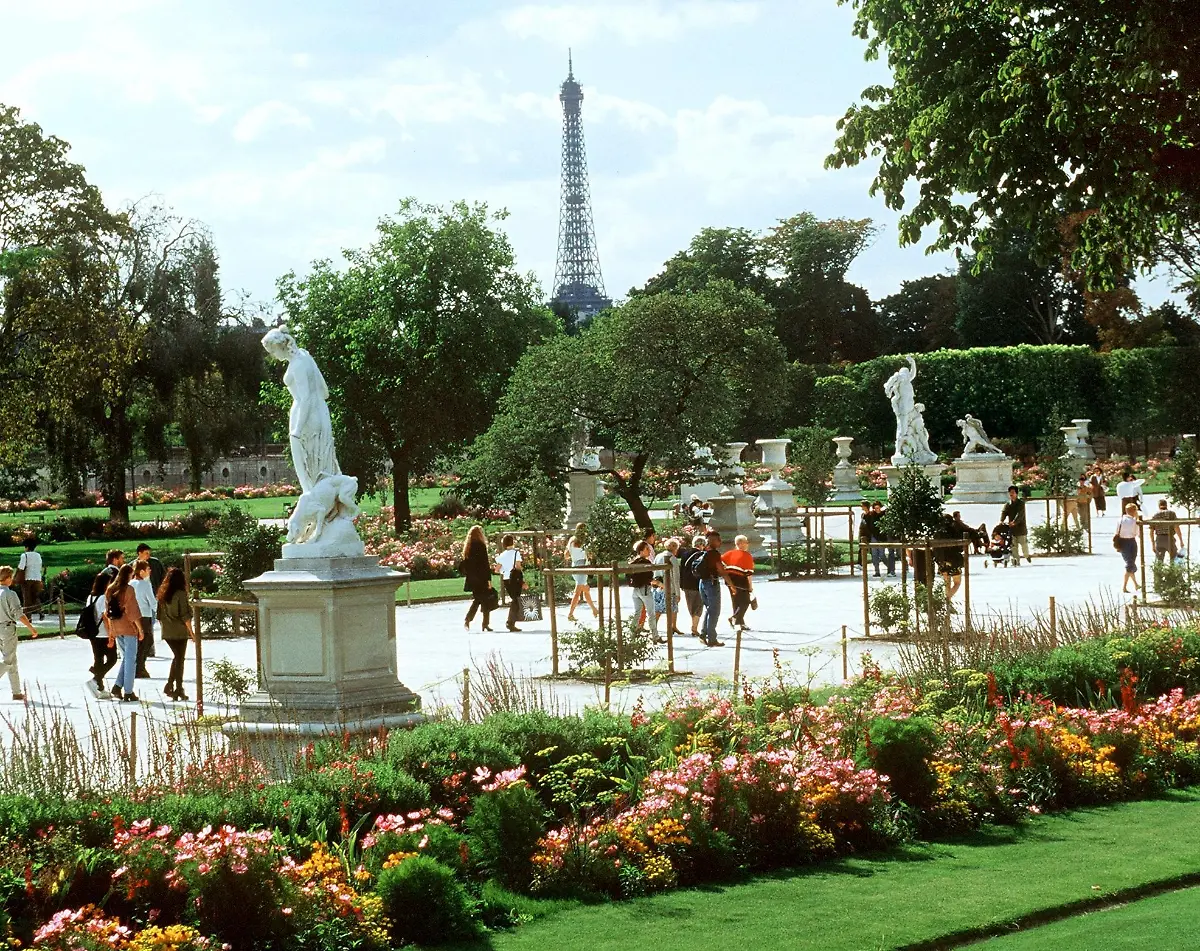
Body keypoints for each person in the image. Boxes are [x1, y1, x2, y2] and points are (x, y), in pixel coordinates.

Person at [105, 564, 143, 702]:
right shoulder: (128, 589)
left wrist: (111, 632)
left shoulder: (110, 589)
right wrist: (140, 629)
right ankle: (128, 691)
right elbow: (132, 611)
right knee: (131, 660)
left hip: (116, 625)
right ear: (128, 575)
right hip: (128, 626)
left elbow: (107, 611)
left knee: (126, 657)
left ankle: (117, 686)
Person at [0, 565, 38, 701]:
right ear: (8, 578)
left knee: (12, 660)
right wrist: (31, 628)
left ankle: (16, 692)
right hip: (7, 628)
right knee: (8, 660)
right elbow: (18, 614)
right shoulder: (10, 594)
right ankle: (16, 691)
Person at [157, 566, 194, 701]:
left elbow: (159, 616)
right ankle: (176, 687)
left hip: (167, 632)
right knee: (180, 659)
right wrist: (192, 633)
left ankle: (174, 687)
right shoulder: (181, 594)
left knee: (177, 658)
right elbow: (185, 616)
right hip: (179, 632)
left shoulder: (162, 594)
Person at [697, 532, 736, 648]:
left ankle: (703, 634)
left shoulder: (703, 552)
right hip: (711, 583)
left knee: (709, 609)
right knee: (714, 611)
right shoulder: (714, 554)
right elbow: (721, 571)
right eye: (718, 540)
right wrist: (732, 585)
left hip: (702, 582)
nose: (720, 542)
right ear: (713, 541)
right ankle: (712, 639)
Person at [85, 572, 117, 695]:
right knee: (112, 659)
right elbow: (105, 617)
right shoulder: (104, 598)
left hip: (93, 632)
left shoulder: (90, 597)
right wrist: (111, 635)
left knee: (98, 659)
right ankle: (96, 679)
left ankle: (100, 687)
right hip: (103, 632)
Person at [461, 525, 496, 632]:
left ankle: (470, 620)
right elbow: (485, 564)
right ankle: (484, 623)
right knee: (485, 600)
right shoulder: (481, 546)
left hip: (472, 579)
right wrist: (489, 580)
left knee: (478, 600)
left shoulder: (468, 547)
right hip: (481, 578)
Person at [721, 534, 756, 630]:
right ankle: (735, 618)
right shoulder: (747, 555)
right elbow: (749, 573)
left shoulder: (728, 553)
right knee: (745, 601)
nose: (747, 544)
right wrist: (750, 586)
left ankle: (740, 623)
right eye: (746, 542)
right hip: (741, 580)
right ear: (740, 544)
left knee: (735, 601)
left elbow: (721, 563)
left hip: (729, 580)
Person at [564, 524, 597, 622]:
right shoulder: (584, 542)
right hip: (583, 565)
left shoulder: (571, 540)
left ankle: (594, 610)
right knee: (578, 591)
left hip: (574, 565)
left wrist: (574, 554)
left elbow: (566, 555)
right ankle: (570, 614)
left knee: (585, 590)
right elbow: (590, 554)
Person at [627, 541, 658, 642]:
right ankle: (655, 636)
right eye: (646, 549)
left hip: (635, 591)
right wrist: (659, 583)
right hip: (644, 589)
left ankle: (631, 635)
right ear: (641, 551)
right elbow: (648, 578)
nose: (649, 551)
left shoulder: (633, 562)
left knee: (637, 613)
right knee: (651, 613)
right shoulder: (646, 563)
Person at [131, 561, 157, 679]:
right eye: (147, 569)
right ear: (141, 571)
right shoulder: (145, 585)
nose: (149, 571)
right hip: (144, 616)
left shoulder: (130, 583)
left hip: (133, 617)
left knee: (138, 643)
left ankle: (138, 666)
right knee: (147, 641)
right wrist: (160, 612)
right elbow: (152, 602)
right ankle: (140, 667)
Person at [675, 534, 704, 639]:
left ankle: (694, 624)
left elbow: (681, 569)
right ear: (701, 545)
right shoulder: (702, 554)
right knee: (699, 606)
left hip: (686, 584)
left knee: (691, 606)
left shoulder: (685, 554)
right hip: (698, 583)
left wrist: (681, 584)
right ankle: (694, 627)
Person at [494, 534, 524, 633]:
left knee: (514, 599)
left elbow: (496, 570)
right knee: (516, 600)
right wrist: (522, 581)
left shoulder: (502, 555)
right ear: (513, 542)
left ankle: (511, 622)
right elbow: (518, 567)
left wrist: (505, 570)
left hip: (506, 579)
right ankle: (510, 622)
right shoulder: (516, 553)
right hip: (515, 579)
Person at [654, 538, 682, 638]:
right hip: (670, 587)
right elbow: (675, 577)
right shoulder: (672, 558)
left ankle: (672, 626)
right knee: (666, 608)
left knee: (660, 608)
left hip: (658, 585)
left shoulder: (658, 556)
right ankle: (667, 627)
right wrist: (678, 593)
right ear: (674, 548)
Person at [1114, 502, 1141, 593]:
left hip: (1122, 542)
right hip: (1131, 542)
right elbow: (1137, 533)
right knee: (1130, 564)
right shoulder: (1134, 521)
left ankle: (1136, 584)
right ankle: (1124, 587)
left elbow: (1117, 531)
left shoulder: (1120, 520)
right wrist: (1136, 517)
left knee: (1130, 563)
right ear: (1134, 511)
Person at [1001, 486, 1031, 566]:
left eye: (1013, 492)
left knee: (1024, 545)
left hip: (1020, 528)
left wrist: (1015, 522)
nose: (1011, 494)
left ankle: (1027, 556)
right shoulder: (1008, 504)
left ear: (1016, 494)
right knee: (1013, 546)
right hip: (1012, 529)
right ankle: (1016, 561)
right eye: (1010, 493)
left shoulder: (1021, 503)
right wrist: (1002, 520)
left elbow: (1020, 515)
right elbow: (1004, 512)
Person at [17, 537, 44, 621]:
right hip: (37, 578)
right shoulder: (38, 555)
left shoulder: (24, 555)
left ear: (26, 547)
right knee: (35, 596)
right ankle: (40, 611)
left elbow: (21, 567)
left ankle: (28, 617)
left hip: (27, 578)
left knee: (27, 598)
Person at [1150, 499, 1184, 563]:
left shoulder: (1155, 515)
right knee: (1174, 559)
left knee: (1159, 561)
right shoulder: (1171, 513)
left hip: (1159, 539)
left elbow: (1151, 532)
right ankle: (1174, 572)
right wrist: (1181, 540)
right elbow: (1176, 527)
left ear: (1159, 505)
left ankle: (1158, 573)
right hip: (1169, 538)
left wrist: (1153, 544)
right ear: (1166, 505)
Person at [871, 501, 897, 576]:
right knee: (874, 555)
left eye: (878, 508)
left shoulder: (884, 514)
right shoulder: (872, 515)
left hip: (882, 537)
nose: (877, 509)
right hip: (874, 536)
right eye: (875, 508)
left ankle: (890, 568)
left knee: (882, 555)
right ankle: (877, 572)